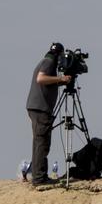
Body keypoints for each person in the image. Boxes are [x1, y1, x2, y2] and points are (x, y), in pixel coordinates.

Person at [26, 42, 73, 187]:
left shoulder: (45, 60)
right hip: (41, 109)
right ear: (59, 55)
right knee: (42, 142)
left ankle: (38, 176)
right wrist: (60, 79)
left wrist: (61, 82)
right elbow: (41, 79)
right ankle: (39, 178)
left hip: (36, 107)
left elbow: (46, 82)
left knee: (39, 141)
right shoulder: (50, 62)